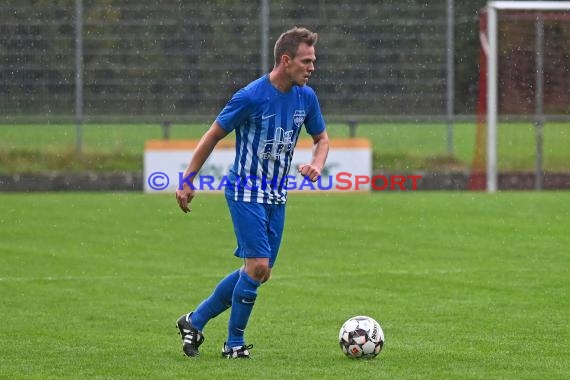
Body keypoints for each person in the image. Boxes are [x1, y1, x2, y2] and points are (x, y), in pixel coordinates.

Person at [175, 27, 329, 359]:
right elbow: (213, 135)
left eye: (313, 61)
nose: (312, 67)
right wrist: (188, 179)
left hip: (277, 195)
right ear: (286, 60)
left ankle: (194, 320)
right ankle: (233, 344)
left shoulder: (307, 97)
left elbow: (322, 138)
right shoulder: (250, 96)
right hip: (245, 190)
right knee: (258, 266)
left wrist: (317, 163)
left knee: (260, 272)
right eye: (307, 61)